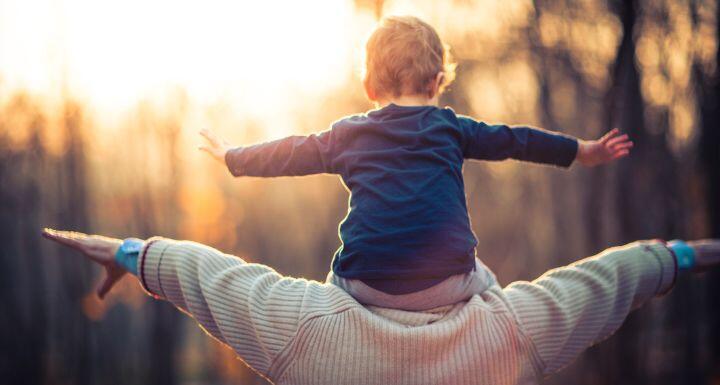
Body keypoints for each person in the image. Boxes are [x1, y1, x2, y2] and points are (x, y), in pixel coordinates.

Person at [197, 15, 634, 311]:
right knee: (494, 288)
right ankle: (497, 328)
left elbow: (292, 152)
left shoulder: (348, 134)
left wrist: (234, 157)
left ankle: (333, 319)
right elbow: (515, 140)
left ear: (370, 87)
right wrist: (580, 150)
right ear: (436, 80)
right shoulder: (449, 127)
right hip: (448, 280)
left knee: (333, 283)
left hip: (364, 284)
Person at [41, 228, 719, 384]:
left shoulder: (309, 329)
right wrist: (683, 254)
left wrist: (130, 254)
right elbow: (605, 282)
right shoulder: (507, 330)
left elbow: (211, 276)